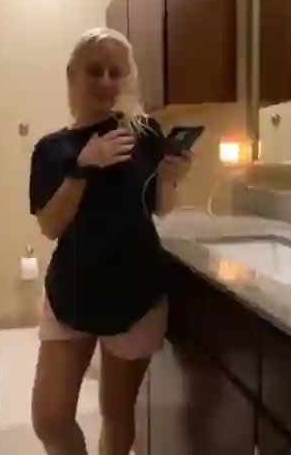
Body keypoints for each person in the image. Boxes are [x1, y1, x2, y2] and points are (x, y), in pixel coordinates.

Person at [29, 27, 193, 455]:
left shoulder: (143, 134)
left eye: (115, 72)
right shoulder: (52, 149)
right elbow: (50, 225)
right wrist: (83, 167)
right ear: (73, 75)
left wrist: (171, 178)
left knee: (117, 413)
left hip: (136, 293)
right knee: (49, 419)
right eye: (94, 70)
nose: (105, 81)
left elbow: (160, 207)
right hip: (72, 293)